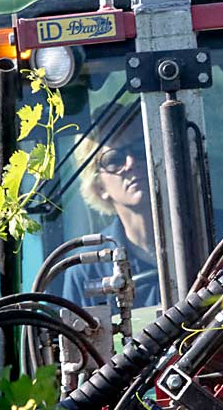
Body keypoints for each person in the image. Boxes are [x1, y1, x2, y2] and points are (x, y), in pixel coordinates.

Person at [63, 104, 160, 309]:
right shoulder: (86, 271)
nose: (131, 162)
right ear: (98, 185)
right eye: (114, 159)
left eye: (141, 148)